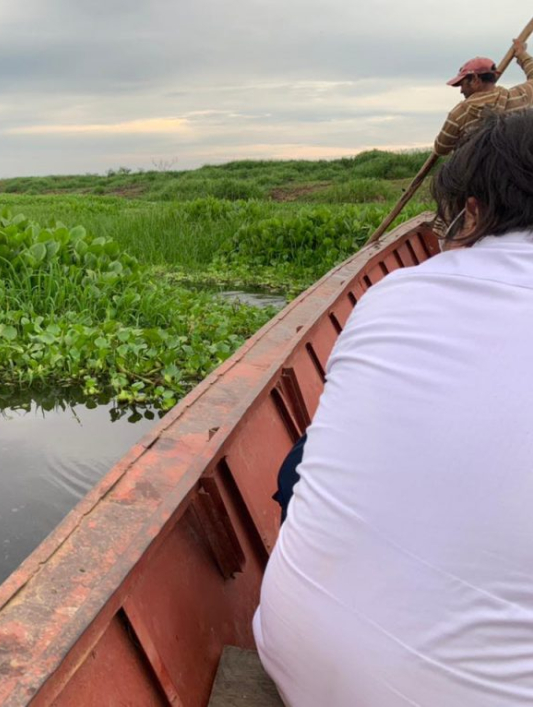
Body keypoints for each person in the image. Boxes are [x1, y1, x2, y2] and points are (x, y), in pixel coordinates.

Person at [254, 109, 533, 706]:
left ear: (473, 212)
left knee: (303, 458)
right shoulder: (486, 108)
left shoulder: (392, 292)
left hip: (295, 663)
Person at [434, 38, 533, 155]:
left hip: (480, 172)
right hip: (519, 167)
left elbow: (441, 149)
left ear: (475, 79)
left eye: (463, 84)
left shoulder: (459, 114)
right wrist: (522, 54)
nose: (461, 91)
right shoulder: (519, 96)